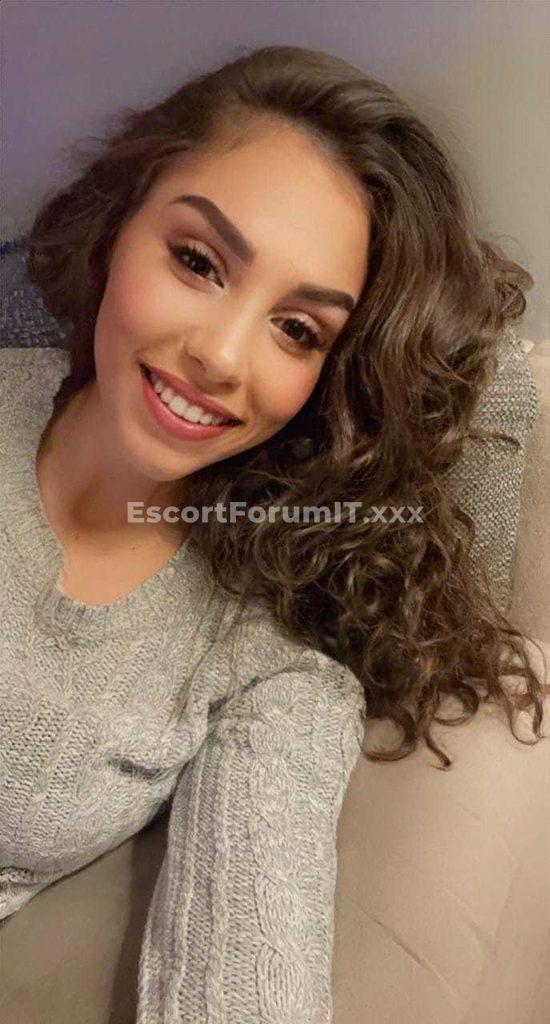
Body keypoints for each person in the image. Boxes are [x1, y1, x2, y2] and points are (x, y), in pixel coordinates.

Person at [0, 44, 546, 1023]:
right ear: (121, 223)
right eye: (197, 262)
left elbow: (248, 983)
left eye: (297, 330)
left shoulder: (267, 662)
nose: (219, 355)